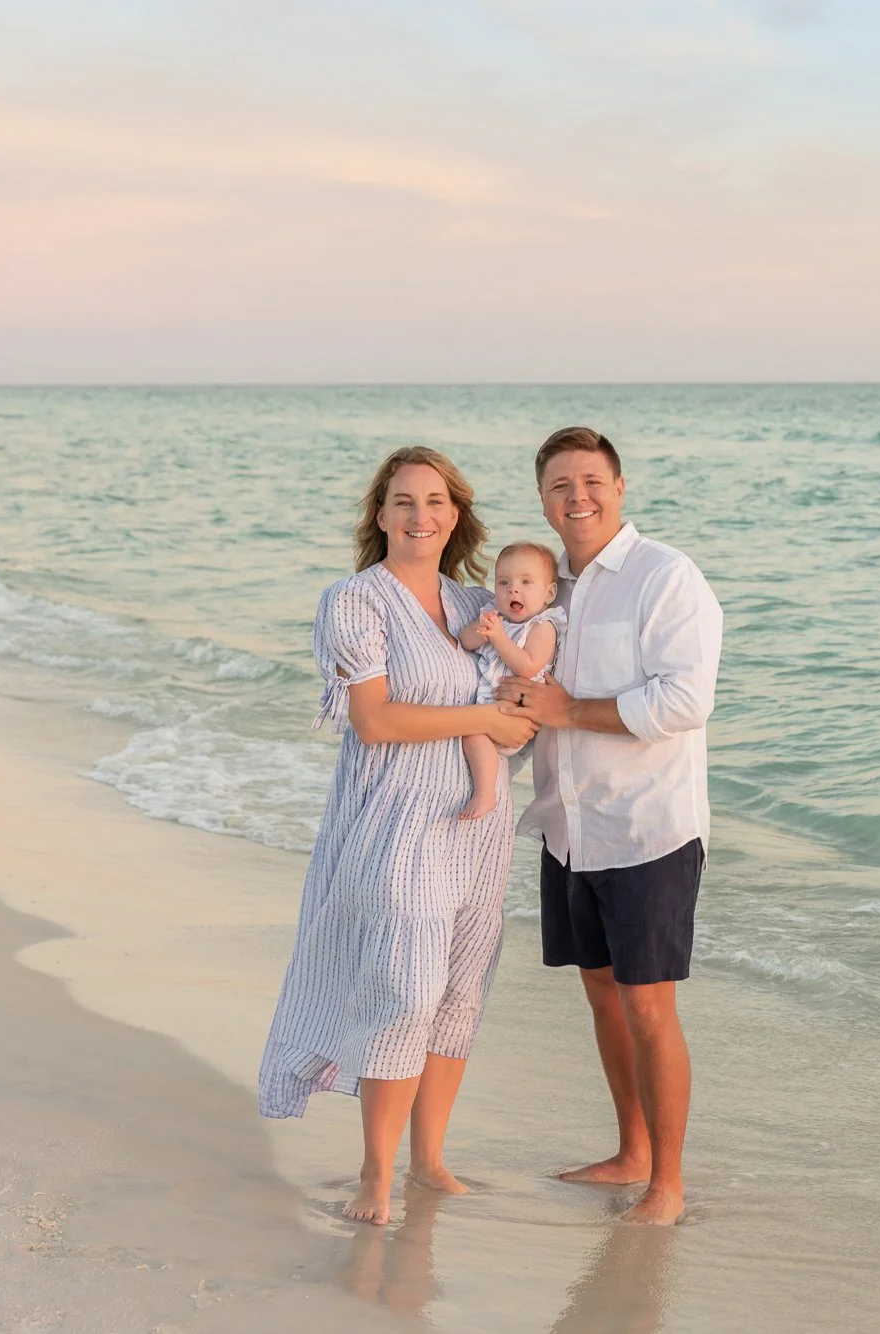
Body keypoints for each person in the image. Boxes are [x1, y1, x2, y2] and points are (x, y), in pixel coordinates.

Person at [257, 446, 537, 1228]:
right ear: (379, 515)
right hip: (394, 823)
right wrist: (485, 718)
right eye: (405, 501)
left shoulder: (476, 602)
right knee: (403, 991)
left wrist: (522, 717)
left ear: (458, 515)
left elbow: (523, 693)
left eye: (437, 501)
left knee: (457, 992)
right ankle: (375, 1177)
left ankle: (430, 1161)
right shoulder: (355, 601)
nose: (422, 516)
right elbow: (374, 721)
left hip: (479, 827)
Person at [501, 427, 723, 1227]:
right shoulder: (548, 586)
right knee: (601, 995)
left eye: (591, 481)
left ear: (621, 487)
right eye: (560, 484)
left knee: (649, 1006)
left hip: (647, 831)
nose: (577, 497)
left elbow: (684, 702)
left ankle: (668, 1185)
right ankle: (630, 1151)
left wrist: (568, 711)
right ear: (543, 499)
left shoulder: (667, 577)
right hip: (569, 826)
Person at [454, 541, 566, 822]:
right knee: (472, 732)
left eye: (526, 582)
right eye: (503, 582)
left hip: (514, 711)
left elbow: (528, 667)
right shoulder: (495, 617)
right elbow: (464, 641)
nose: (513, 589)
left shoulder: (542, 626)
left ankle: (485, 792)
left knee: (473, 733)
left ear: (549, 592)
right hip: (490, 706)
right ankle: (485, 787)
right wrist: (483, 630)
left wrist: (499, 637)